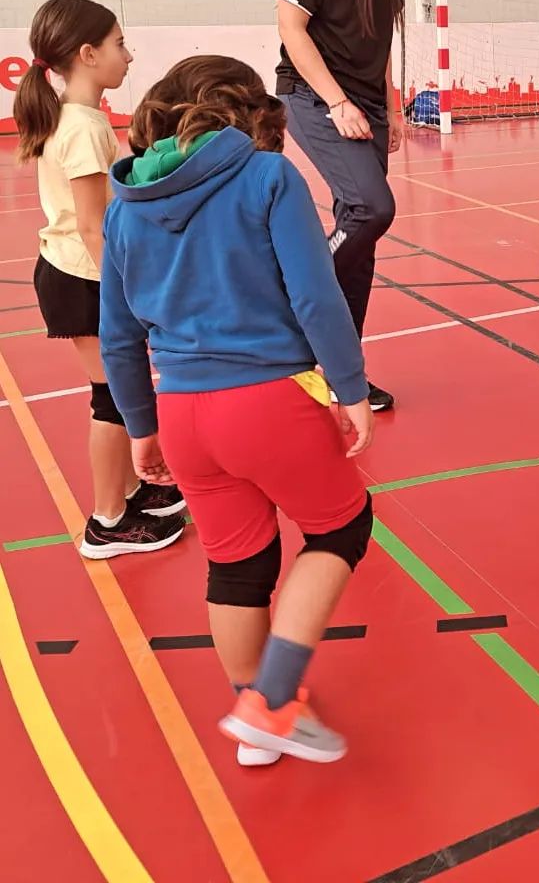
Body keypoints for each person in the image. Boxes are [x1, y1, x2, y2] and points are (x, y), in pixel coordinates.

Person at [100, 56, 376, 766]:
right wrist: (349, 388)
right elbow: (316, 295)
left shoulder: (125, 206)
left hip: (184, 413)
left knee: (237, 565)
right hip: (268, 402)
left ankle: (255, 716)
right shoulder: (267, 177)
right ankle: (272, 699)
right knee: (341, 529)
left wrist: (141, 425)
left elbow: (118, 333)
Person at [14, 0, 185, 559]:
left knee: (116, 393)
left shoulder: (71, 116)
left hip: (75, 274)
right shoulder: (83, 127)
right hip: (84, 279)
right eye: (118, 44)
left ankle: (130, 492)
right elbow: (93, 227)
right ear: (87, 54)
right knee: (113, 398)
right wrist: (137, 289)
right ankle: (108, 521)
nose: (129, 56)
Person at [275, 0, 407, 412]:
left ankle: (340, 373)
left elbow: (378, 36)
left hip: (369, 102)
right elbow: (291, 30)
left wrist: (391, 104)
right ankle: (289, 294)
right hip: (314, 94)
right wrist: (338, 101)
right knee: (373, 208)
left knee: (364, 238)